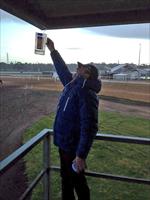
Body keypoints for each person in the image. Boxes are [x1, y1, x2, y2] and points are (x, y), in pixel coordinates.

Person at [46, 38, 101, 200]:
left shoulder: (86, 94)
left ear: (87, 74)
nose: (77, 68)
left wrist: (81, 155)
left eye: (81, 68)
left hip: (73, 148)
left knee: (77, 182)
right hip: (65, 144)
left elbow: (89, 127)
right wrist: (53, 50)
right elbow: (63, 71)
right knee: (66, 180)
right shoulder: (74, 85)